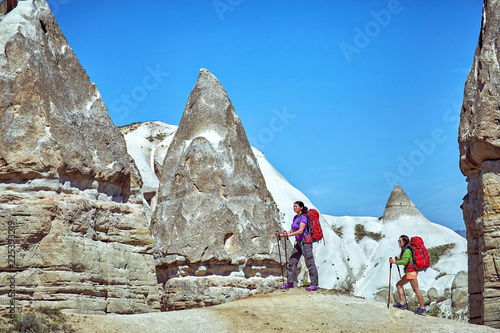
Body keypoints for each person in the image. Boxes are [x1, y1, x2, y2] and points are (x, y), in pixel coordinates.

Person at [275, 201, 319, 291]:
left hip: (306, 242)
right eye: (294, 206)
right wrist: (280, 235)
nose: (294, 208)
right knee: (292, 261)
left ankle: (314, 284)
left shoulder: (303, 217)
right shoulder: (296, 217)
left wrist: (287, 235)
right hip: (298, 242)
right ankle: (290, 283)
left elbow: (300, 231)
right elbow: (292, 231)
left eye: (296, 206)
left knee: (309, 263)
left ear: (301, 207)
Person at [389, 235, 426, 315]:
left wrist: (395, 262)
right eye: (398, 241)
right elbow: (406, 260)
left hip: (411, 273)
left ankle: (404, 304)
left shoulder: (407, 250)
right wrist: (398, 260)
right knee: (414, 289)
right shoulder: (406, 249)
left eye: (400, 241)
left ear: (404, 242)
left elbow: (405, 261)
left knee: (400, 285)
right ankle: (421, 307)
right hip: (412, 272)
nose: (398, 243)